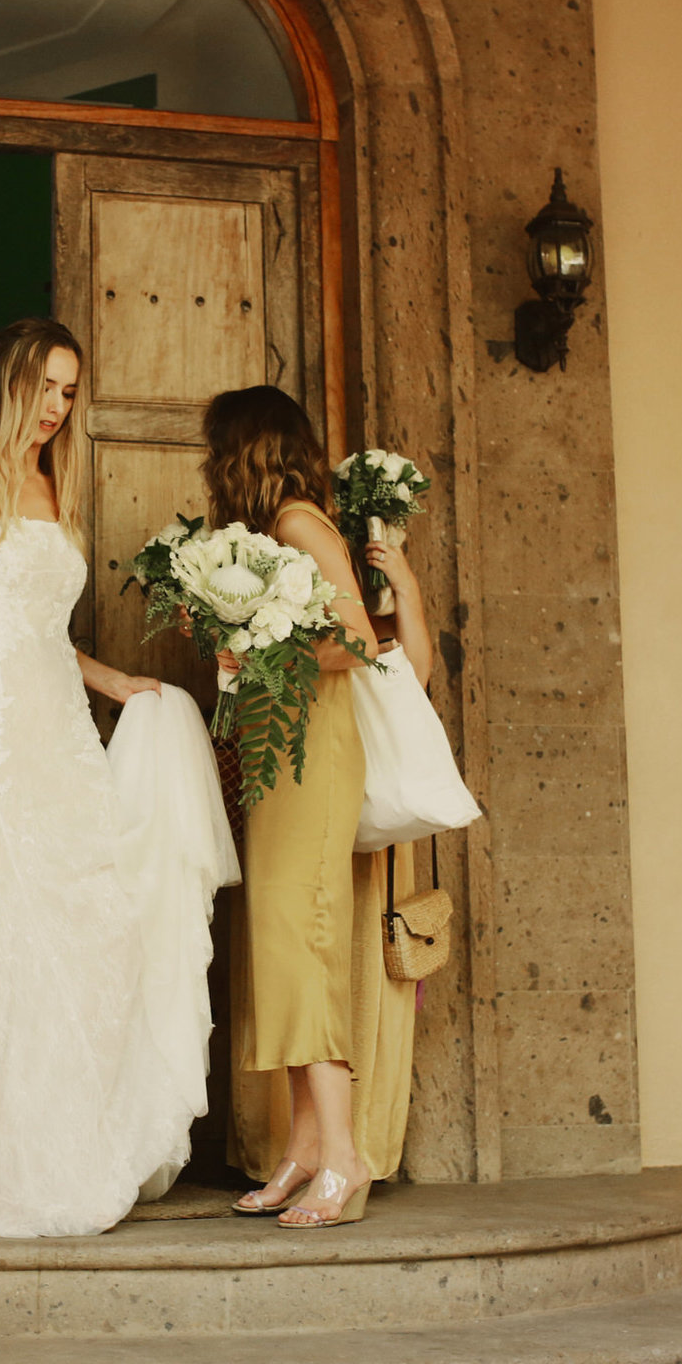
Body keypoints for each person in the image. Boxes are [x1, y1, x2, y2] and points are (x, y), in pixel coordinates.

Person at [0, 317, 230, 1237]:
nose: (60, 408)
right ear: (11, 381)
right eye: (50, 388)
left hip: (59, 731)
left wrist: (115, 681)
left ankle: (66, 1133)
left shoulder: (50, 485)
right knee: (1, 919)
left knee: (87, 920)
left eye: (72, 391)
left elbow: (44, 634)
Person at [203, 386, 396, 1230]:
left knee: (305, 936)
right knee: (279, 943)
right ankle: (305, 1147)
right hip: (281, 759)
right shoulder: (269, 532)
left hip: (313, 755)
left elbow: (355, 638)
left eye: (217, 450)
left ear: (246, 449)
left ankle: (345, 1156)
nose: (209, 467)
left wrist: (259, 646)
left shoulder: (300, 524)